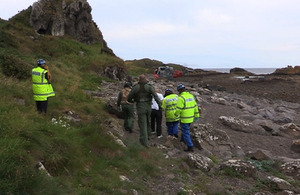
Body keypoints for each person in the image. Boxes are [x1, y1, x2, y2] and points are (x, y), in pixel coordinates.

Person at [127, 74, 162, 148]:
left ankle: (145, 142)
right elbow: (155, 96)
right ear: (145, 80)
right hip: (148, 107)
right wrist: (160, 105)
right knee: (147, 121)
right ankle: (148, 135)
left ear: (139, 80)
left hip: (140, 106)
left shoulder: (135, 87)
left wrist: (133, 100)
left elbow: (129, 98)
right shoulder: (149, 87)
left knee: (142, 124)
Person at [175, 84, 200, 152]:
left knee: (186, 132)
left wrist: (176, 114)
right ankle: (182, 140)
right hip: (191, 117)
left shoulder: (181, 98)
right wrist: (197, 116)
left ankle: (190, 146)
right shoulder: (191, 96)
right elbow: (195, 106)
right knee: (185, 130)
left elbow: (179, 109)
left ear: (179, 91)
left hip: (185, 118)